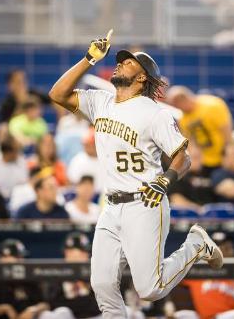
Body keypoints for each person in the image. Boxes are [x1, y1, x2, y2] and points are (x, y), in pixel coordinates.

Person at [48, 30, 223, 318]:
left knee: (149, 289)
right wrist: (88, 59)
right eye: (121, 61)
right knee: (101, 284)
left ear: (142, 77)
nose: (120, 63)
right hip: (111, 206)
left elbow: (184, 157)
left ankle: (196, 244)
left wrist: (165, 181)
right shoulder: (100, 102)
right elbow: (57, 94)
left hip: (145, 203)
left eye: (129, 63)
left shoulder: (154, 113)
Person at [181, 232, 234, 319]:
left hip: (228, 317)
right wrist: (168, 303)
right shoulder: (199, 270)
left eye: (228, 248)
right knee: (182, 315)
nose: (224, 252)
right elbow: (167, 282)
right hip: (203, 317)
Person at [166, 85, 233, 176]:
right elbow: (190, 142)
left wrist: (228, 151)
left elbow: (226, 131)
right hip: (204, 161)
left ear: (182, 100)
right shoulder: (183, 118)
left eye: (175, 105)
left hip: (223, 156)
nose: (177, 109)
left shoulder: (212, 105)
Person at [40, 232, 102, 319]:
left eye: (84, 252)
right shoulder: (56, 273)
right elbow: (53, 304)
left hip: (93, 316)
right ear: (66, 253)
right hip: (67, 316)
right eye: (74, 252)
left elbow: (100, 304)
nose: (83, 256)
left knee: (124, 310)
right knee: (54, 313)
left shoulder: (96, 273)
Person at [168, 144, 215, 210]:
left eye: (199, 157)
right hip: (187, 216)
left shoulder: (209, 173)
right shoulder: (178, 176)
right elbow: (175, 199)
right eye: (194, 157)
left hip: (212, 216)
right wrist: (198, 209)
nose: (197, 160)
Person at [0, 135, 28, 199]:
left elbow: (24, 182)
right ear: (8, 153)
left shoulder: (21, 161)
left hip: (19, 198)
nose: (18, 153)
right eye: (16, 151)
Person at [67, 128, 104, 192]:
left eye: (90, 144)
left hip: (102, 195)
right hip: (83, 195)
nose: (86, 147)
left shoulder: (105, 160)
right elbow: (71, 182)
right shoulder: (77, 160)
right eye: (86, 144)